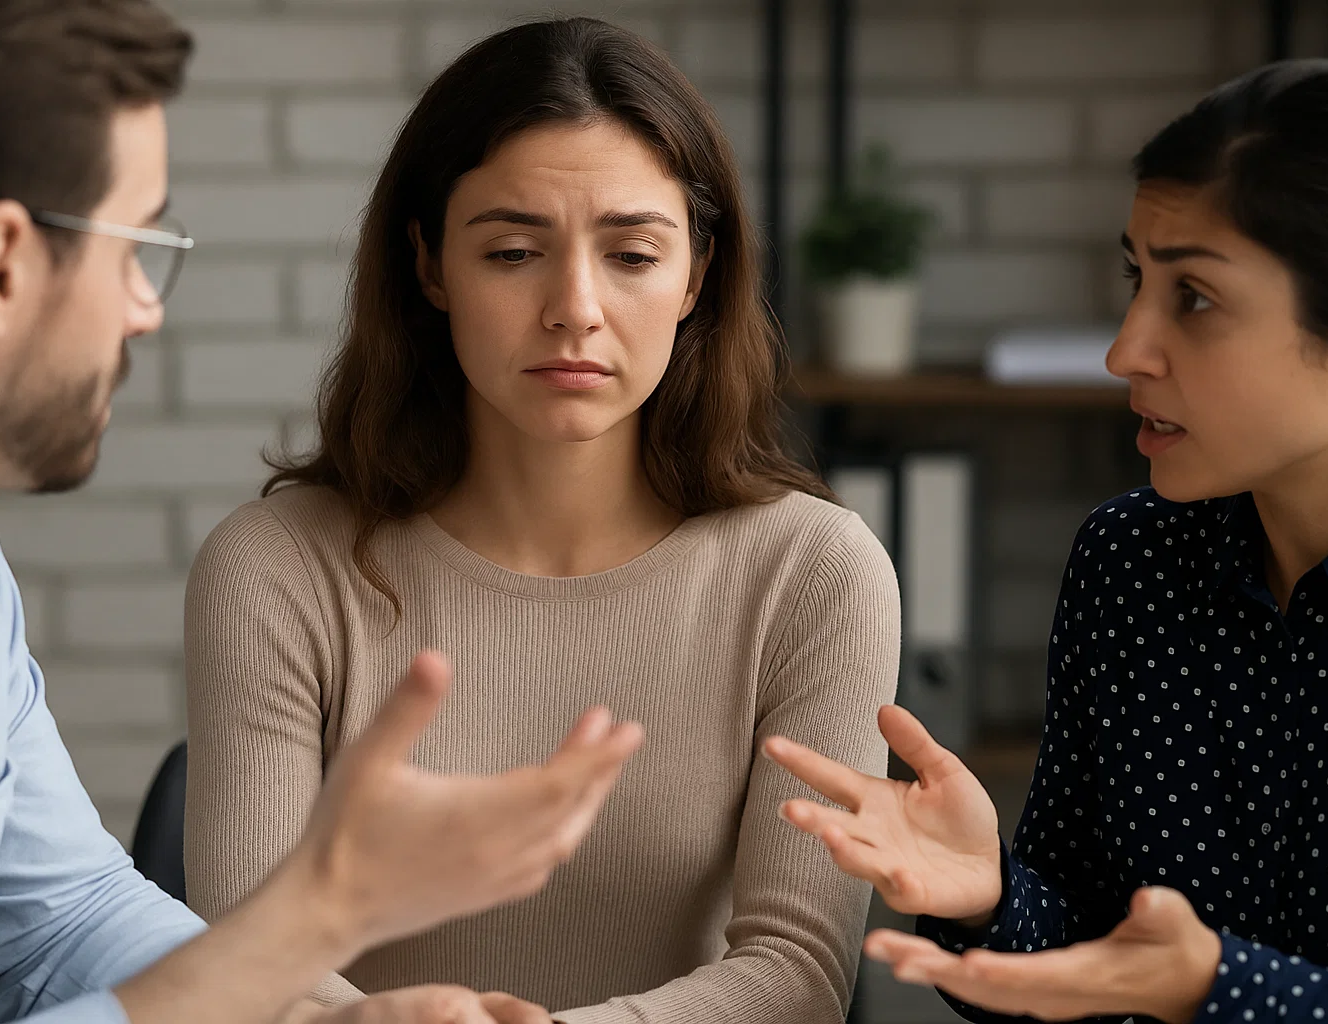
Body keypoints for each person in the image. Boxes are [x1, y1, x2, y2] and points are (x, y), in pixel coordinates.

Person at [0, 2, 646, 1022]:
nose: (147, 306)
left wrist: (328, 1018)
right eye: (133, 247)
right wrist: (325, 909)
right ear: (2, 265)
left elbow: (63, 918)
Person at [182, 16, 901, 1024]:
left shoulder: (815, 571)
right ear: (430, 266)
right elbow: (245, 970)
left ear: (696, 273)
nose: (575, 307)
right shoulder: (276, 567)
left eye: (632, 255)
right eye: (514, 251)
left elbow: (798, 969)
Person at [762, 58, 1328, 1024]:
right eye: (1139, 279)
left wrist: (1216, 989)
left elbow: (1162, 980)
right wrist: (990, 898)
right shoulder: (1129, 563)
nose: (1127, 348)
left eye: (1195, 299)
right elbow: (1081, 967)